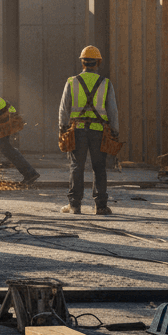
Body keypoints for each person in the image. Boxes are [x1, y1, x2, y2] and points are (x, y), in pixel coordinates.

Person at [58, 46, 120, 215]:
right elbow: (112, 110)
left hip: (77, 130)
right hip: (99, 132)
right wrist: (114, 131)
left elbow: (64, 109)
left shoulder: (72, 81)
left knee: (76, 166)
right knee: (99, 168)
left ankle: (74, 205)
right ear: (98, 63)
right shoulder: (106, 83)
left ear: (82, 62)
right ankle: (100, 206)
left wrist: (63, 128)